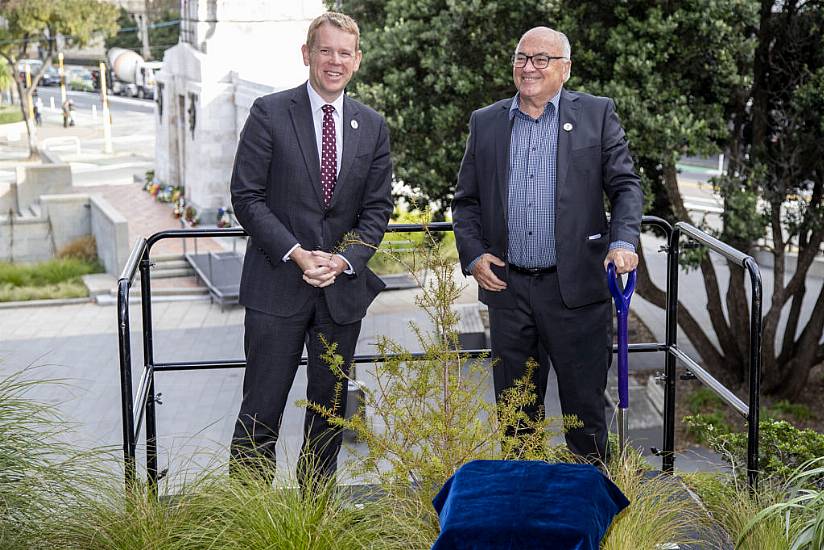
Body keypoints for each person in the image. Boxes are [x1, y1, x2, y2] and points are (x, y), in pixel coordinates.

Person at [451, 26, 643, 463]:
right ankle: (524, 515)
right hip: (509, 291)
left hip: (576, 290)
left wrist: (624, 240)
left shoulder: (596, 114)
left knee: (585, 417)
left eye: (542, 59)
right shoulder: (486, 122)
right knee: (517, 419)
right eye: (522, 57)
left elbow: (626, 186)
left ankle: (591, 519)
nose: (529, 67)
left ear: (565, 69)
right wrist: (474, 254)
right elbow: (466, 203)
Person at [229, 11, 393, 488]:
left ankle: (316, 513)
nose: (334, 61)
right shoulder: (269, 112)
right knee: (260, 410)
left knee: (329, 415)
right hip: (277, 286)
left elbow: (377, 209)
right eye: (326, 50)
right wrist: (298, 253)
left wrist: (344, 260)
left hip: (339, 294)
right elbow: (246, 196)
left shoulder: (373, 126)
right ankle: (246, 515)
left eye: (345, 53)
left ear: (357, 61)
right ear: (307, 54)